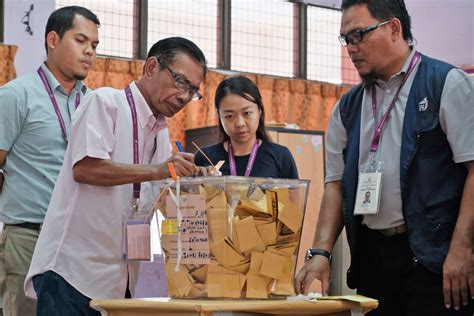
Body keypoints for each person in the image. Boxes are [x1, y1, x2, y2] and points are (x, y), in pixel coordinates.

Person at [294, 0, 473, 315]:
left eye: (359, 35)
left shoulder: (445, 83)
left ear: (394, 28)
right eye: (346, 39)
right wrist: (320, 251)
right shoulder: (347, 109)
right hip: (374, 257)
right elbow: (335, 185)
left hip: (435, 257)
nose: (351, 48)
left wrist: (462, 250)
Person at [24, 37, 209, 316]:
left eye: (193, 90)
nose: (184, 96)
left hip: (117, 280)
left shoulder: (160, 134)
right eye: (180, 82)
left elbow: (155, 205)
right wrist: (159, 170)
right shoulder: (105, 103)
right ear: (151, 67)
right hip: (72, 272)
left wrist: (193, 185)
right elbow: (85, 168)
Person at [0, 6, 100, 316]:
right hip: (30, 236)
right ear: (53, 39)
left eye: (94, 45)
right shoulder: (17, 95)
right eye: (81, 40)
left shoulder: (95, 102)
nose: (89, 51)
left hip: (80, 243)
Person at [195, 76, 298, 179]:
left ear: (259, 111)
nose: (240, 123)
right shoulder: (204, 157)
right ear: (219, 116)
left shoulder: (281, 156)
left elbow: (294, 194)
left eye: (247, 113)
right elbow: (187, 193)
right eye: (230, 116)